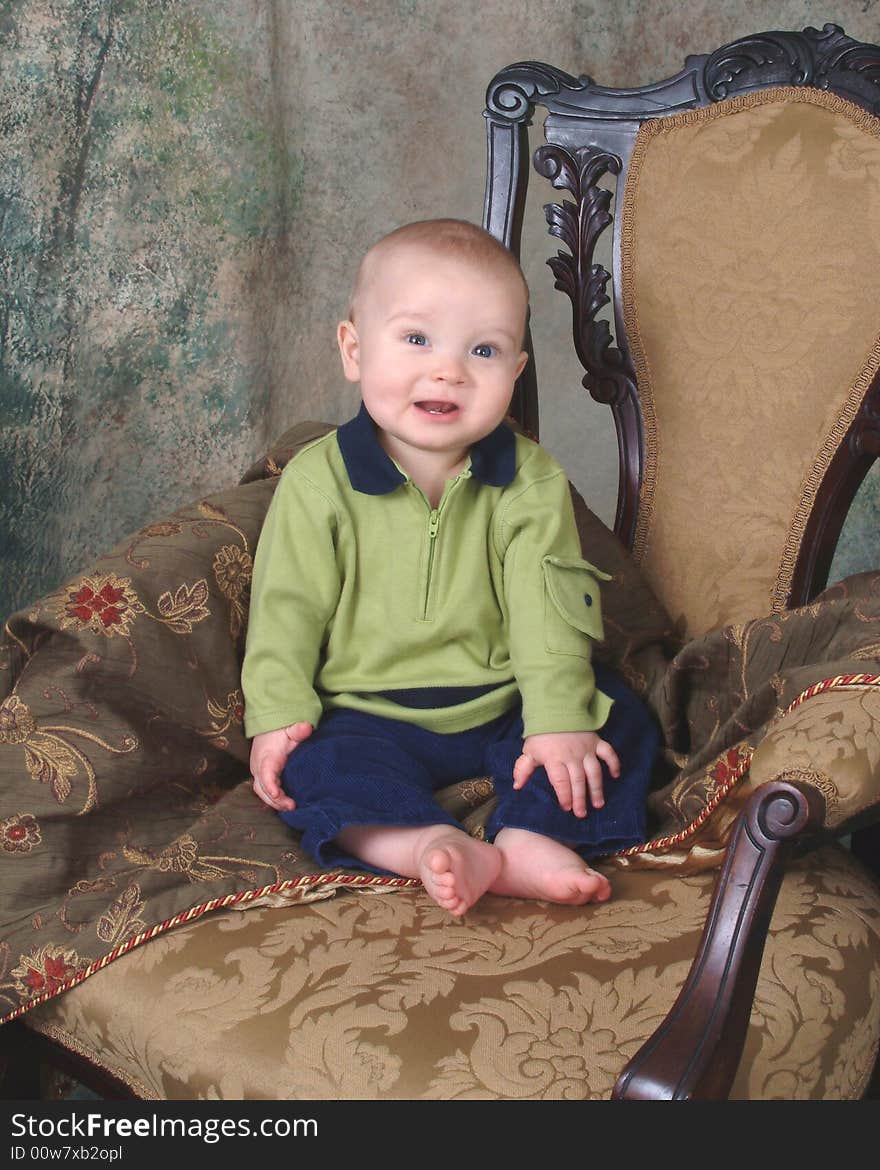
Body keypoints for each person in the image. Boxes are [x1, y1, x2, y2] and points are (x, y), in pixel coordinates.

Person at [242, 218, 658, 917]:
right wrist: (278, 713)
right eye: (415, 339)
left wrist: (557, 719)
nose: (448, 370)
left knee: (618, 721)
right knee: (314, 768)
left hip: (503, 703)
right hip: (367, 712)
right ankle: (425, 844)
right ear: (353, 349)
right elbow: (286, 608)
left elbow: (546, 611)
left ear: (516, 372)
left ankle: (527, 837)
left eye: (484, 350)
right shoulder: (320, 482)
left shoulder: (529, 481)